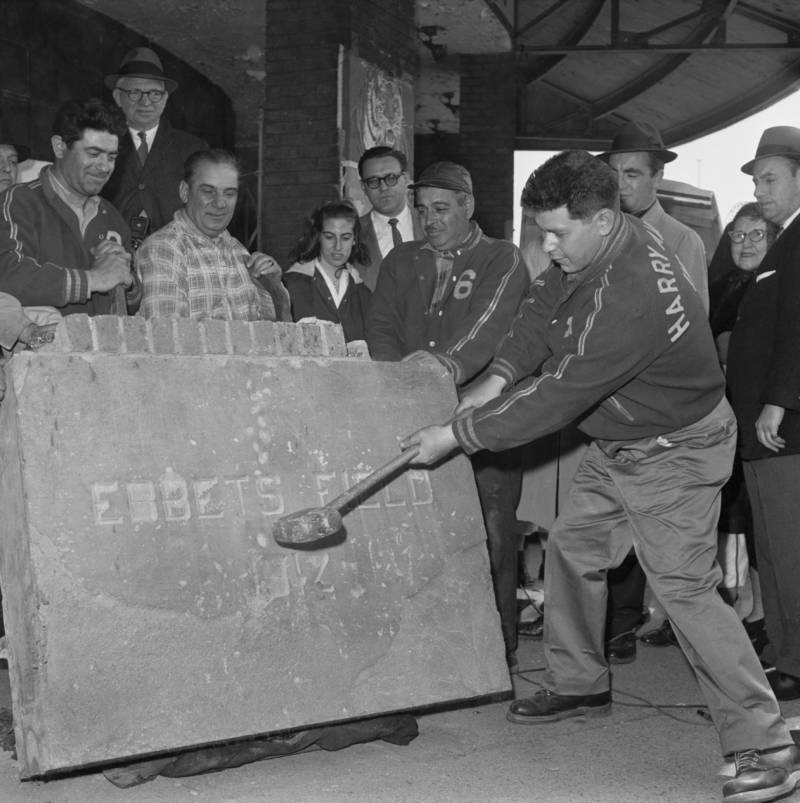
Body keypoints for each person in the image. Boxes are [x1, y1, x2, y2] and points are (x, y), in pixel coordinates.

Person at [401, 150, 799, 803]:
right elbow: (540, 305)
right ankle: (580, 681)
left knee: (684, 590)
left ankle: (767, 744)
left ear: (605, 218)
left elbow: (557, 396)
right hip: (619, 443)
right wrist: (497, 376)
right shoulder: (593, 250)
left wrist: (453, 435)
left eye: (559, 232)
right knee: (574, 545)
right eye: (542, 230)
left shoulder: (632, 294)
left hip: (677, 450)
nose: (548, 245)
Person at [366, 160, 530, 669]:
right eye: (422, 210)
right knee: (421, 531)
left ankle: (498, 649)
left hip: (485, 419)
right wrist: (400, 387)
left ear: (468, 207)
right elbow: (382, 328)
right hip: (415, 416)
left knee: (493, 531)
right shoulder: (400, 260)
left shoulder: (502, 258)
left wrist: (443, 366)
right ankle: (435, 646)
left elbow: (489, 326)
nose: (430, 219)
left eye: (441, 209)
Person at [600, 120, 710, 662]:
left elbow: (693, 326)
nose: (623, 183)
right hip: (601, 400)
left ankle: (655, 623)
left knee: (658, 522)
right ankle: (611, 629)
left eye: (634, 173)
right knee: (604, 517)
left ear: (658, 178)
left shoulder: (683, 240)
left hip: (658, 406)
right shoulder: (598, 233)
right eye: (615, 172)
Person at [727, 126, 800, 704]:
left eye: (771, 178)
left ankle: (795, 662)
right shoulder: (785, 242)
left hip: (785, 427)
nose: (761, 187)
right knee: (772, 551)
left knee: (790, 551)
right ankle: (783, 655)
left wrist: (778, 400)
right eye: (756, 179)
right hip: (763, 427)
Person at [707, 203, 777, 657]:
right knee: (733, 516)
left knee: (759, 521)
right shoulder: (724, 288)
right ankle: (746, 607)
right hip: (723, 420)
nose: (746, 243)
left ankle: (760, 613)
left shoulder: (776, 289)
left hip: (762, 419)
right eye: (738, 234)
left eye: (757, 235)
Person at [0, 98, 138, 315]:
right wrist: (93, 279)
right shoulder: (18, 202)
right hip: (41, 347)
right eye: (93, 154)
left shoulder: (112, 217)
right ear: (59, 147)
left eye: (111, 157)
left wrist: (127, 282)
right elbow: (7, 274)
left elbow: (132, 307)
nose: (104, 167)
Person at [136, 148, 289, 321]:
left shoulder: (240, 253)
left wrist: (274, 287)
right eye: (208, 192)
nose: (220, 203)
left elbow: (275, 338)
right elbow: (167, 337)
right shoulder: (163, 249)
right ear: (184, 192)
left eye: (229, 193)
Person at [102, 47, 208, 244]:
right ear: (118, 97)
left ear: (165, 99)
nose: (146, 101)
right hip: (112, 252)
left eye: (155, 93)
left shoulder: (193, 148)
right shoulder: (101, 144)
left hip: (175, 255)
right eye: (135, 92)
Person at [284, 200, 371, 343]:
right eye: (329, 237)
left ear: (355, 240)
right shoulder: (291, 285)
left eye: (345, 237)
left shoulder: (362, 293)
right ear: (318, 237)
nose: (337, 246)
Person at [356, 146, 423, 290]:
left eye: (391, 178)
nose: (383, 187)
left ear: (406, 179)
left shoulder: (431, 225)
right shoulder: (351, 234)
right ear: (363, 187)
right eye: (373, 181)